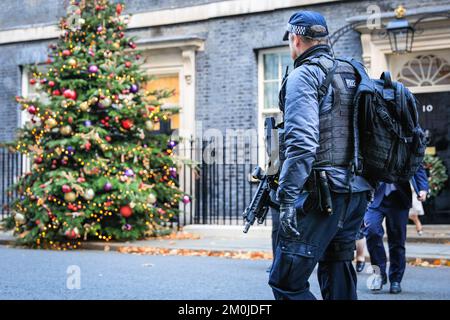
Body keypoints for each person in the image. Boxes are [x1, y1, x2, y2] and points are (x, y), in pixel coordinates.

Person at [268, 11, 373, 300]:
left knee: (286, 281)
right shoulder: (353, 70)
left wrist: (288, 198)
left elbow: (301, 144)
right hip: (357, 192)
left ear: (296, 38)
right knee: (338, 270)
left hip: (322, 195)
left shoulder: (304, 74)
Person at [364, 165, 429, 294]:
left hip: (399, 198)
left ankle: (396, 280)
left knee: (397, 241)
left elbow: (417, 165)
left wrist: (422, 188)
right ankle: (379, 274)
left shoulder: (407, 144)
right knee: (371, 231)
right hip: (375, 196)